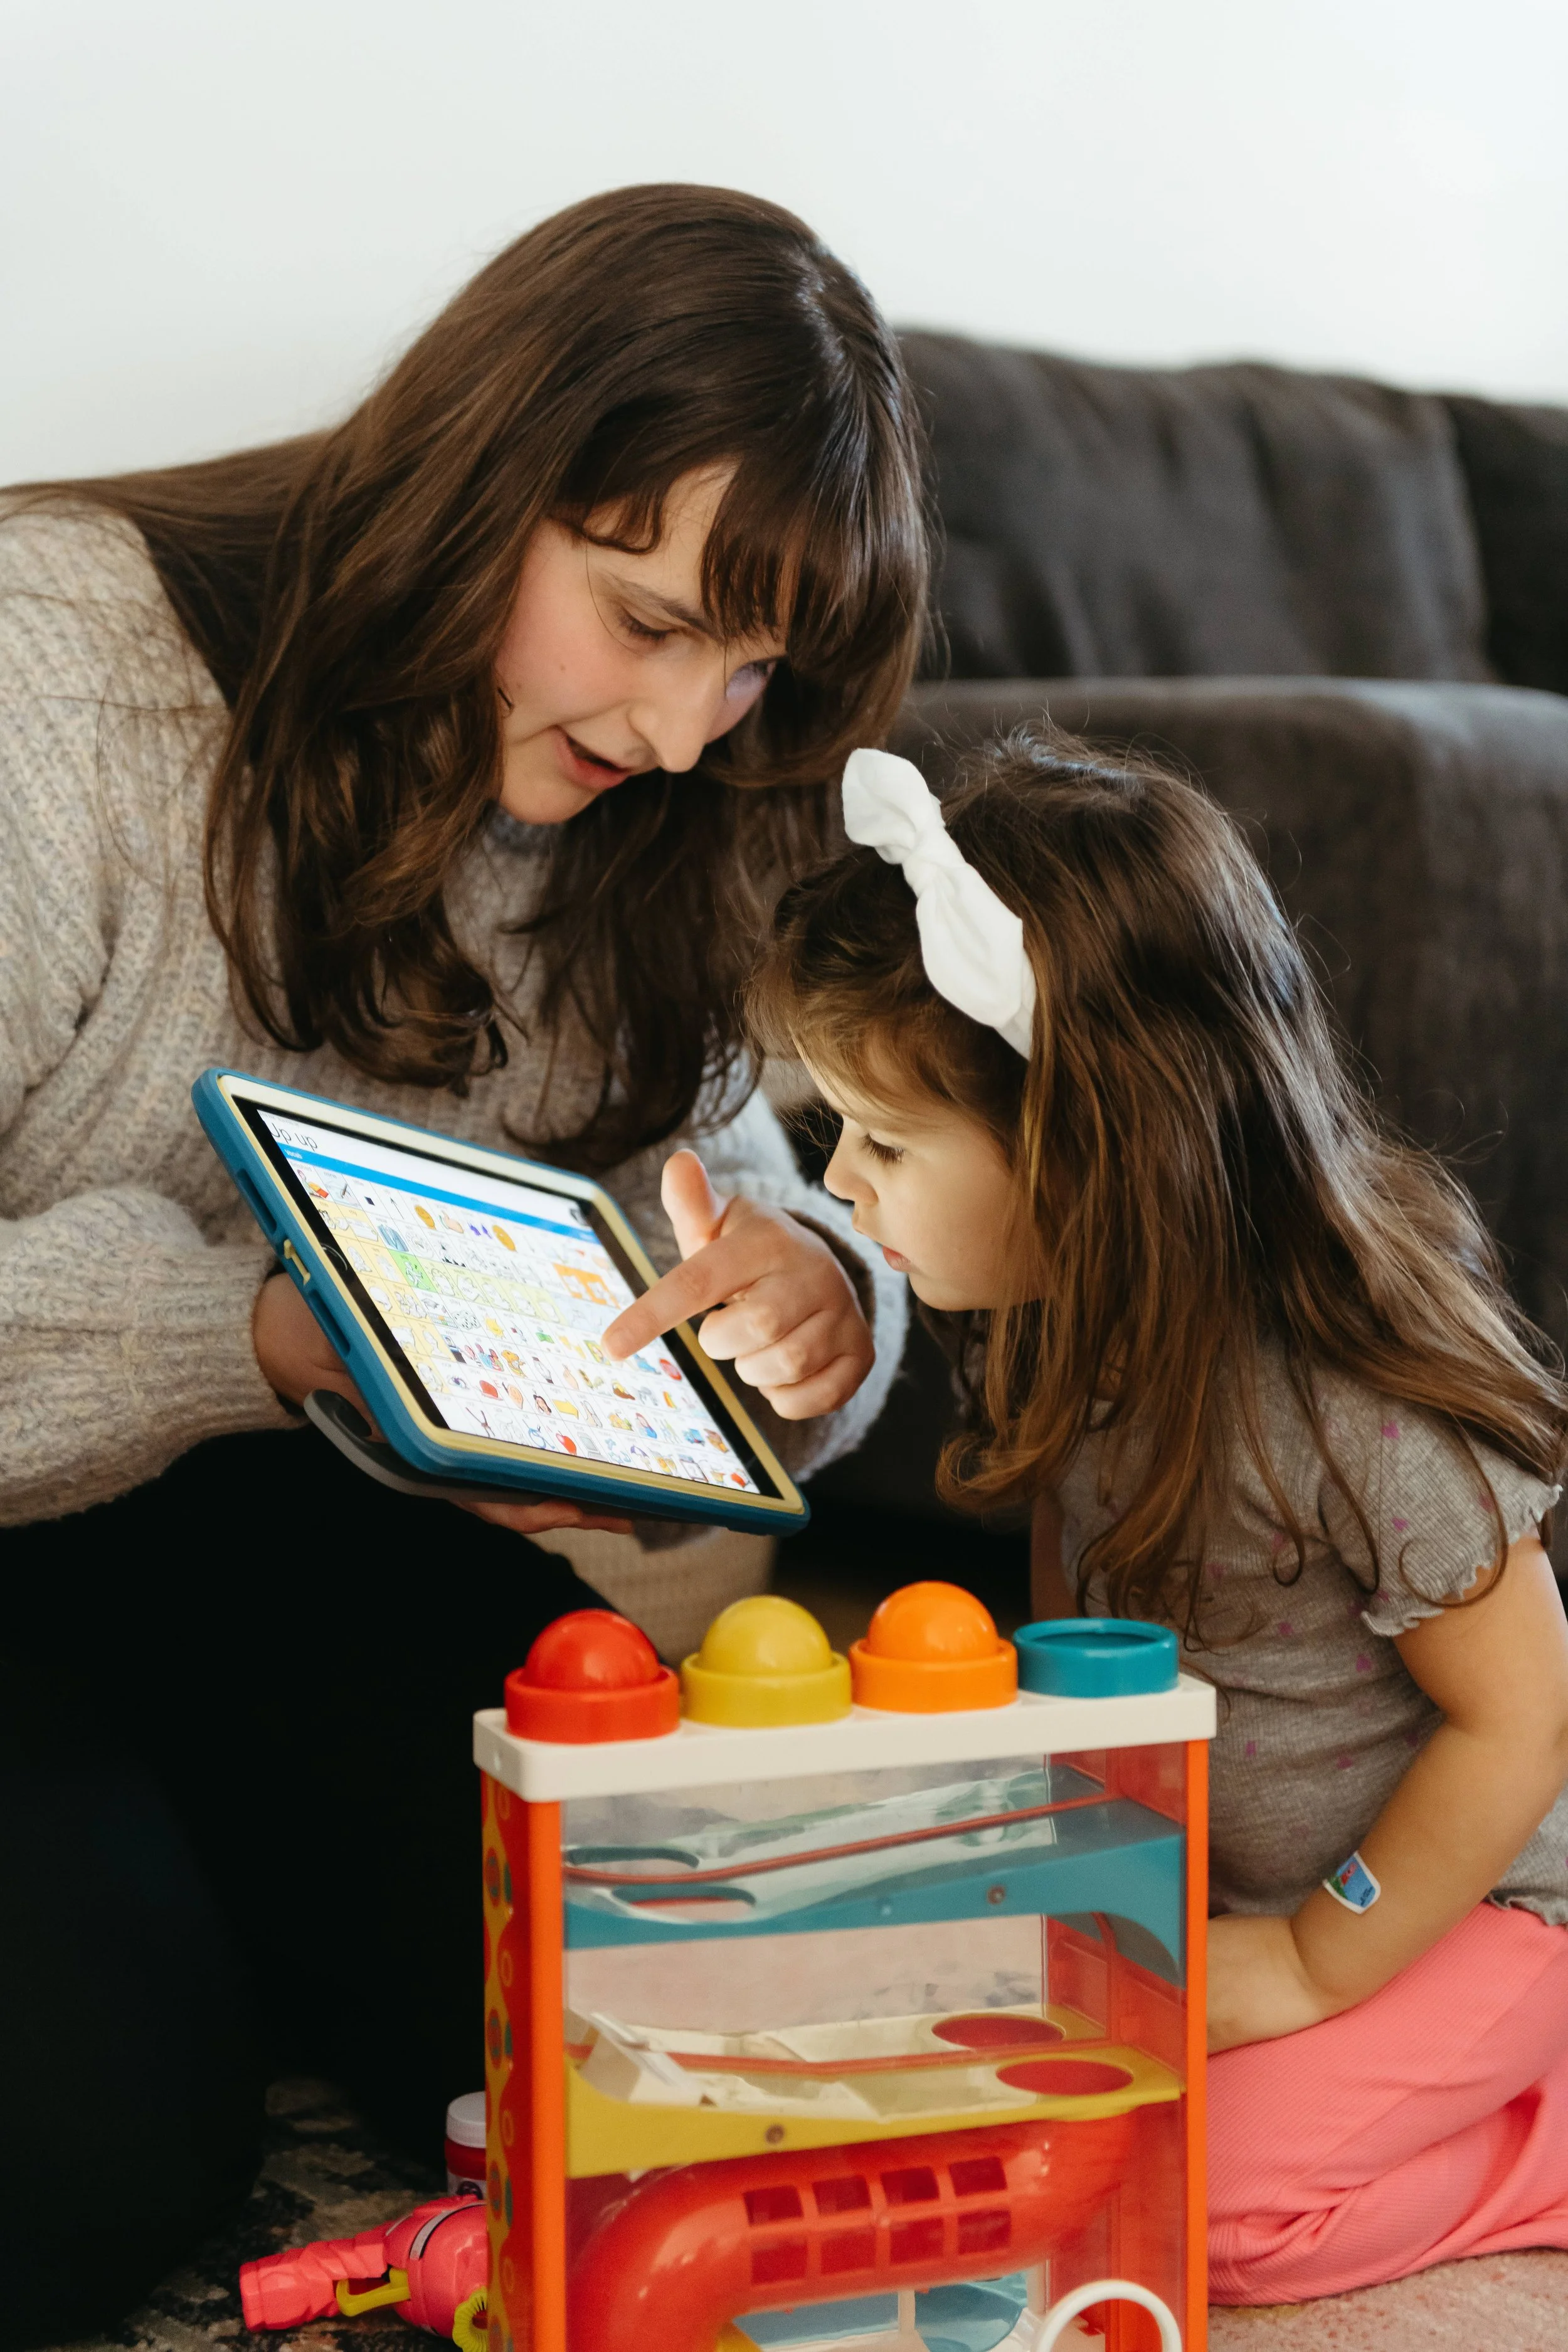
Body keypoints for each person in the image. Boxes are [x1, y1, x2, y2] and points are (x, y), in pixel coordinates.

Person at [0, 185, 926, 2343]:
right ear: (482, 480)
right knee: (87, 2153)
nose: (688, 731)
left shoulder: (664, 814)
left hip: (255, 1529)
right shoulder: (57, 680)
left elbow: (730, 1191)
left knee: (656, 2031)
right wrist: (238, 1332)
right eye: (641, 616)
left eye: (754, 664)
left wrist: (814, 1300)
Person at [750, 732, 1568, 2304]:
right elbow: (1090, 1655)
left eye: (889, 1141)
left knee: (1196, 2216)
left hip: (1485, 1910)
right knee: (985, 2121)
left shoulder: (1342, 1385)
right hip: (1245, 1892)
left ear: (1087, 1142)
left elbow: (1523, 1724)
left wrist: (1315, 1963)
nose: (839, 1183)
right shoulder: (1072, 1315)